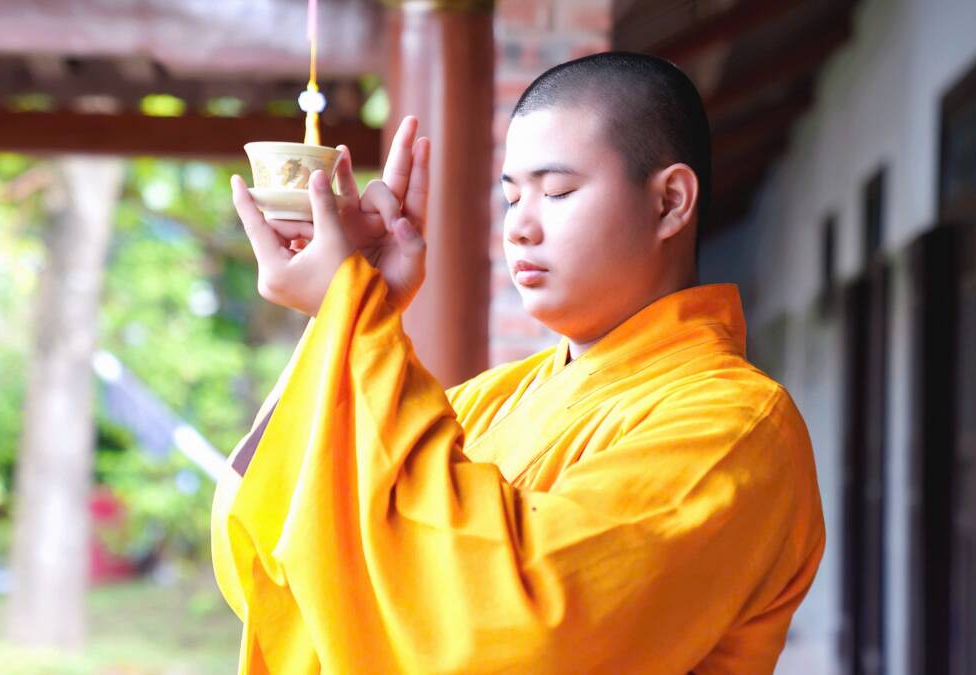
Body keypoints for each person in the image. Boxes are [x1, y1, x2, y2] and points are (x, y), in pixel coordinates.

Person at [212, 52, 825, 674]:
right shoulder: (487, 400)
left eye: (557, 192)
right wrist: (343, 313)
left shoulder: (737, 426)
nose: (519, 229)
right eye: (511, 198)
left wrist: (353, 315)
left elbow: (524, 632)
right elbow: (277, 543)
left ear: (669, 202)